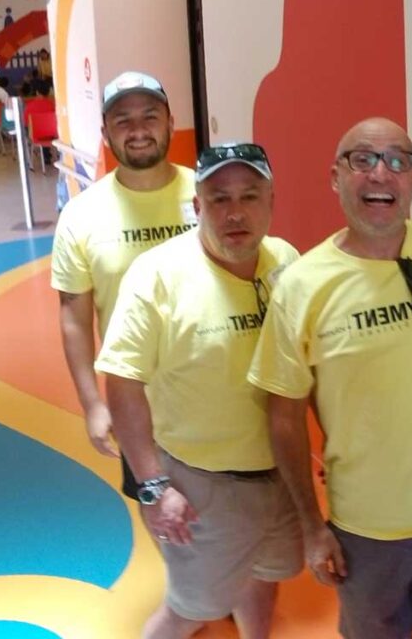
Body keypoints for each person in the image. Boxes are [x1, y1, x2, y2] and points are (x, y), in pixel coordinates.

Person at [249, 118, 412, 639]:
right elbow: (284, 417)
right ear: (335, 177)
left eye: (398, 160)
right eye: (362, 159)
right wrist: (314, 528)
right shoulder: (302, 286)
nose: (381, 173)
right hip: (364, 530)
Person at [98, 142, 302, 639]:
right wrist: (151, 484)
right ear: (197, 207)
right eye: (219, 199)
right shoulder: (157, 275)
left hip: (279, 473)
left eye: (250, 196)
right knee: (189, 611)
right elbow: (123, 380)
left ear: (271, 201)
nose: (236, 213)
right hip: (202, 482)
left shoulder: (286, 262)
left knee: (266, 575)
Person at [50, 71, 196, 503]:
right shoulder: (81, 216)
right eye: (123, 120)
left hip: (219, 393)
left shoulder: (208, 194)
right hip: (138, 406)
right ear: (106, 134)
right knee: (166, 522)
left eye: (149, 116)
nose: (137, 131)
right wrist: (93, 402)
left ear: (170, 122)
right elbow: (74, 318)